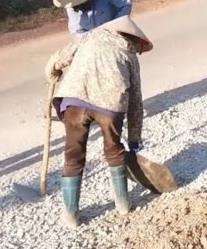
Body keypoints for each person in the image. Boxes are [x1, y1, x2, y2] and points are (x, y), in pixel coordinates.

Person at [43, 14, 151, 228]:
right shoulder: (129, 55)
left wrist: (52, 71)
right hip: (109, 107)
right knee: (114, 150)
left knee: (73, 155)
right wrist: (134, 137)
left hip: (75, 100)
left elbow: (59, 59)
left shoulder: (88, 37)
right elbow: (135, 101)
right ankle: (122, 206)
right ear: (132, 38)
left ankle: (71, 216)